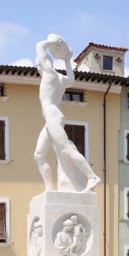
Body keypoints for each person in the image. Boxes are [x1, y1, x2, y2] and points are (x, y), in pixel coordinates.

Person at [34, 34, 100, 193]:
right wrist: (66, 60)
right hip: (51, 118)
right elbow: (71, 80)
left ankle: (92, 176)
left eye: (38, 65)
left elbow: (39, 46)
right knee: (38, 155)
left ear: (43, 63)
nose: (38, 68)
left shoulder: (49, 72)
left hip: (52, 115)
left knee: (65, 150)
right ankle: (49, 189)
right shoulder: (61, 78)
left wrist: (51, 42)